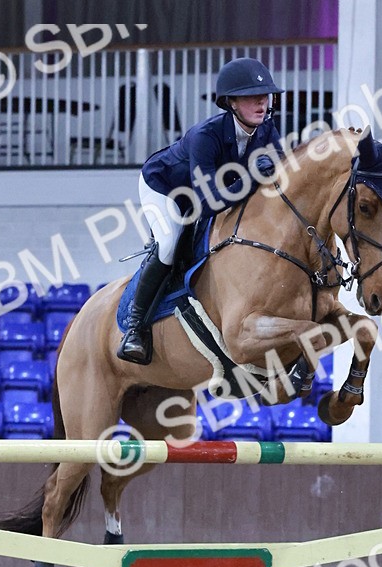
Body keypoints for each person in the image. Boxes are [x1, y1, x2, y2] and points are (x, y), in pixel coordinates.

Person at [116, 57, 284, 363]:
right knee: (168, 245)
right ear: (231, 103)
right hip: (166, 189)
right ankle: (134, 328)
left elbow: (279, 180)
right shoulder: (205, 136)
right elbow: (208, 203)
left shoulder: (267, 131)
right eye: (251, 97)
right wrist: (250, 177)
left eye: (266, 95)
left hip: (211, 191)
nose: (262, 102)